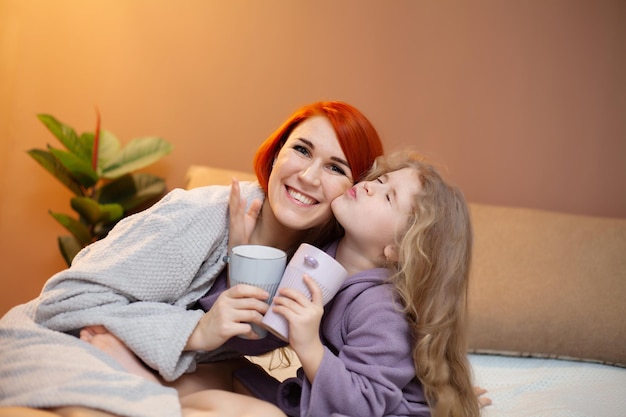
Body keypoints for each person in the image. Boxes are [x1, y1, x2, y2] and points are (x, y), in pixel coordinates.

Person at [0, 101, 384, 417]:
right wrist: (194, 331)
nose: (309, 175)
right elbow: (62, 300)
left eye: (336, 167)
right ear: (277, 153)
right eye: (301, 150)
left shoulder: (315, 268)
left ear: (356, 189)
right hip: (58, 342)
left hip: (164, 367)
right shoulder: (205, 215)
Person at [84, 150, 486, 417]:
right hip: (313, 397)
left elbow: (366, 403)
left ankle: (142, 392)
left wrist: (309, 345)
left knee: (263, 416)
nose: (369, 185)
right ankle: (139, 376)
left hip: (353, 408)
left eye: (387, 197)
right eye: (380, 180)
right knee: (227, 371)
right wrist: (241, 252)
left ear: (398, 248)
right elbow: (254, 329)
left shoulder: (382, 308)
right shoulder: (323, 254)